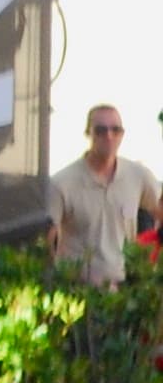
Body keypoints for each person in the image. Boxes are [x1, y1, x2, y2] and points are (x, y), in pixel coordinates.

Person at [46, 105, 156, 288]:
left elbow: (158, 209)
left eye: (116, 130)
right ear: (88, 133)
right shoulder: (61, 183)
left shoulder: (139, 176)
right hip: (77, 291)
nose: (109, 136)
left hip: (123, 291)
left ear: (122, 134)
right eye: (101, 130)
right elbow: (47, 240)